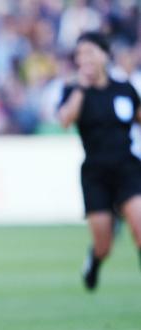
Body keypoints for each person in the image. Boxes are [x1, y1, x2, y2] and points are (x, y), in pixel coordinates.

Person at [57, 32, 141, 291]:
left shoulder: (124, 89)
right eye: (80, 55)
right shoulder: (74, 90)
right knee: (104, 244)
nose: (85, 59)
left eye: (90, 52)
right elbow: (65, 120)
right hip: (96, 172)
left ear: (105, 55)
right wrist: (82, 86)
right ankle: (94, 260)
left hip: (127, 167)